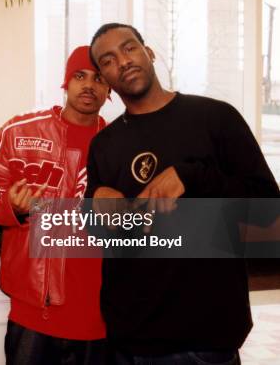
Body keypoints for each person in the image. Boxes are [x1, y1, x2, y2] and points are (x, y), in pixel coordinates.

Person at [87, 23, 280, 364]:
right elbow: (107, 236)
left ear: (149, 53)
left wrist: (192, 177)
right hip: (128, 341)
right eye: (108, 60)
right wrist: (97, 209)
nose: (123, 61)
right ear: (105, 79)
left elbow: (268, 211)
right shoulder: (104, 145)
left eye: (129, 48)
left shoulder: (216, 118)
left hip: (203, 340)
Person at [0, 45, 110, 365]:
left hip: (99, 314)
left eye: (99, 78)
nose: (89, 85)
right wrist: (9, 204)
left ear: (109, 89)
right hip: (34, 312)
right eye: (80, 76)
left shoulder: (120, 142)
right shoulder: (19, 131)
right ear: (66, 82)